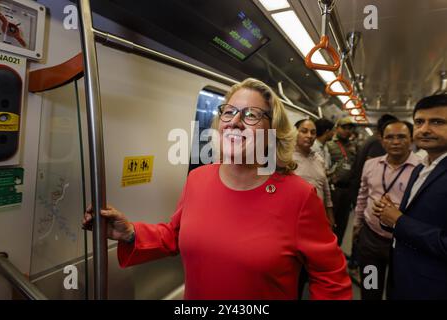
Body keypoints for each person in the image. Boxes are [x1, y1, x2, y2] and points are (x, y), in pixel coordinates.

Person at [83, 78, 352, 300]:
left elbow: (331, 279)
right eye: (229, 112)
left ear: (273, 132)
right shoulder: (198, 179)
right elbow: (173, 236)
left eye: (251, 115)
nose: (235, 121)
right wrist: (130, 233)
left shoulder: (299, 196)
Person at [373, 94, 447, 299]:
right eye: (419, 122)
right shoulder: (422, 167)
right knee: (372, 284)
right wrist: (388, 215)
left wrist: (398, 220)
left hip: (431, 285)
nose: (425, 129)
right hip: (396, 263)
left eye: (438, 122)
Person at [352, 120, 420, 300]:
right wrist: (357, 223)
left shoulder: (422, 169)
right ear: (382, 141)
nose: (395, 142)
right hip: (372, 239)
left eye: (401, 137)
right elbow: (362, 195)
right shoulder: (371, 165)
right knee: (370, 287)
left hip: (404, 244)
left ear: (411, 139)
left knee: (397, 291)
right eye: (390, 137)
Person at [294, 119, 335, 226]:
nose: (309, 135)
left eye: (313, 132)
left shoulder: (319, 159)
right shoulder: (285, 159)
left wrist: (330, 216)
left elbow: (325, 190)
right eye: (304, 131)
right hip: (294, 218)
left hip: (317, 217)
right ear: (294, 133)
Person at [326, 117, 357, 245]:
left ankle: (337, 248)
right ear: (337, 128)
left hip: (347, 190)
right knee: (330, 221)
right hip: (333, 189)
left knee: (343, 221)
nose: (347, 131)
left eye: (350, 128)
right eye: (344, 127)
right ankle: (327, 248)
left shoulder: (354, 147)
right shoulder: (329, 145)